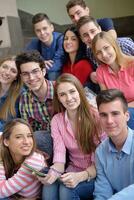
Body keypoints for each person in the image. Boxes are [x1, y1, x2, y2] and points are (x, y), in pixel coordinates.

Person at [38, 73, 105, 200]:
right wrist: (54, 173)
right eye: (62, 94)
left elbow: (101, 163)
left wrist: (80, 176)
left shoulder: (96, 117)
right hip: (72, 169)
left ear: (79, 92)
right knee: (50, 184)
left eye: (72, 92)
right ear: (58, 98)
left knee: (66, 189)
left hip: (95, 174)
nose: (69, 98)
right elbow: (59, 156)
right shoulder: (57, 120)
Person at [94, 89, 134, 200]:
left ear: (127, 116)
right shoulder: (100, 152)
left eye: (115, 113)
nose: (109, 121)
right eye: (103, 115)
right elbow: (102, 191)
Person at [77, 16, 134, 93]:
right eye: (85, 35)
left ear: (100, 29)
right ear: (82, 39)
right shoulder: (89, 53)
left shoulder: (125, 44)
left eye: (93, 31)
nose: (91, 37)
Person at [92, 31, 134, 130]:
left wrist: (122, 109)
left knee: (126, 116)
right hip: (117, 112)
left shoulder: (132, 63)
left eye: (106, 48)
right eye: (99, 52)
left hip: (125, 112)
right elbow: (107, 99)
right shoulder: (100, 71)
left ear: (114, 45)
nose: (104, 55)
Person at [15, 50, 54, 158]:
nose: (31, 78)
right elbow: (28, 130)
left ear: (44, 71)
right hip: (45, 145)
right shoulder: (24, 99)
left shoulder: (61, 90)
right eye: (25, 74)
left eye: (35, 71)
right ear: (21, 77)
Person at [0, 118, 47, 199]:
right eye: (19, 137)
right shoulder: (5, 157)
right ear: (6, 142)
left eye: (29, 136)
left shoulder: (34, 160)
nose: (26, 142)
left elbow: (1, 192)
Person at [25, 13, 65, 80]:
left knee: (53, 73)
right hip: (44, 72)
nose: (42, 33)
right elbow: (25, 59)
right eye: (38, 30)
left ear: (52, 28)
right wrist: (40, 62)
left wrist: (39, 65)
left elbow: (56, 65)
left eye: (45, 28)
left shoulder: (61, 39)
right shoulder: (35, 42)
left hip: (62, 73)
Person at [0, 56, 23, 132]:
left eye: (13, 71)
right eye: (4, 67)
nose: (7, 72)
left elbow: (7, 125)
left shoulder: (20, 95)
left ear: (16, 77)